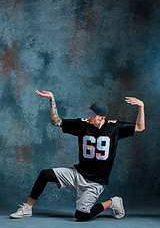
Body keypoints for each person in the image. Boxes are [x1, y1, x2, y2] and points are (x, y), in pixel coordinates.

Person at [10, 90, 145, 221]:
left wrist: (141, 106)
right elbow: (56, 122)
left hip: (95, 183)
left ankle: (112, 202)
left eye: (93, 115)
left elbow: (140, 127)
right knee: (45, 174)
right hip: (77, 174)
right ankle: (27, 208)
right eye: (89, 113)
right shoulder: (82, 125)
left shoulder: (115, 128)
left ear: (102, 118)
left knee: (81, 216)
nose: (89, 117)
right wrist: (52, 99)